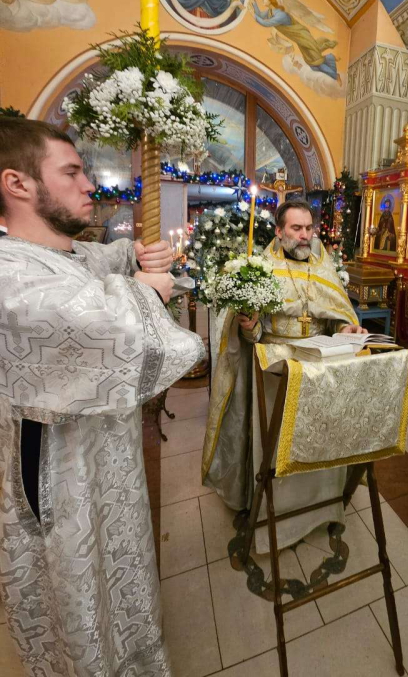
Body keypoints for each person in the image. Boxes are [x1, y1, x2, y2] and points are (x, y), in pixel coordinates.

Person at [0, 118, 205, 675]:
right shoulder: (8, 273)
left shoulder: (56, 254)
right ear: (17, 184)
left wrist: (136, 254)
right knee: (81, 599)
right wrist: (144, 291)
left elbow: (97, 264)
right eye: (70, 173)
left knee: (121, 573)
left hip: (105, 468)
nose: (89, 185)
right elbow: (103, 324)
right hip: (59, 484)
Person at [202, 199, 366, 552]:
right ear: (279, 231)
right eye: (296, 228)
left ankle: (319, 510)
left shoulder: (324, 267)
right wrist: (247, 325)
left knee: (319, 443)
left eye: (309, 228)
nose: (305, 236)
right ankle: (276, 517)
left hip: (320, 370)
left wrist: (347, 326)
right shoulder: (260, 270)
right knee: (278, 449)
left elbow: (337, 313)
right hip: (275, 372)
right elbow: (251, 336)